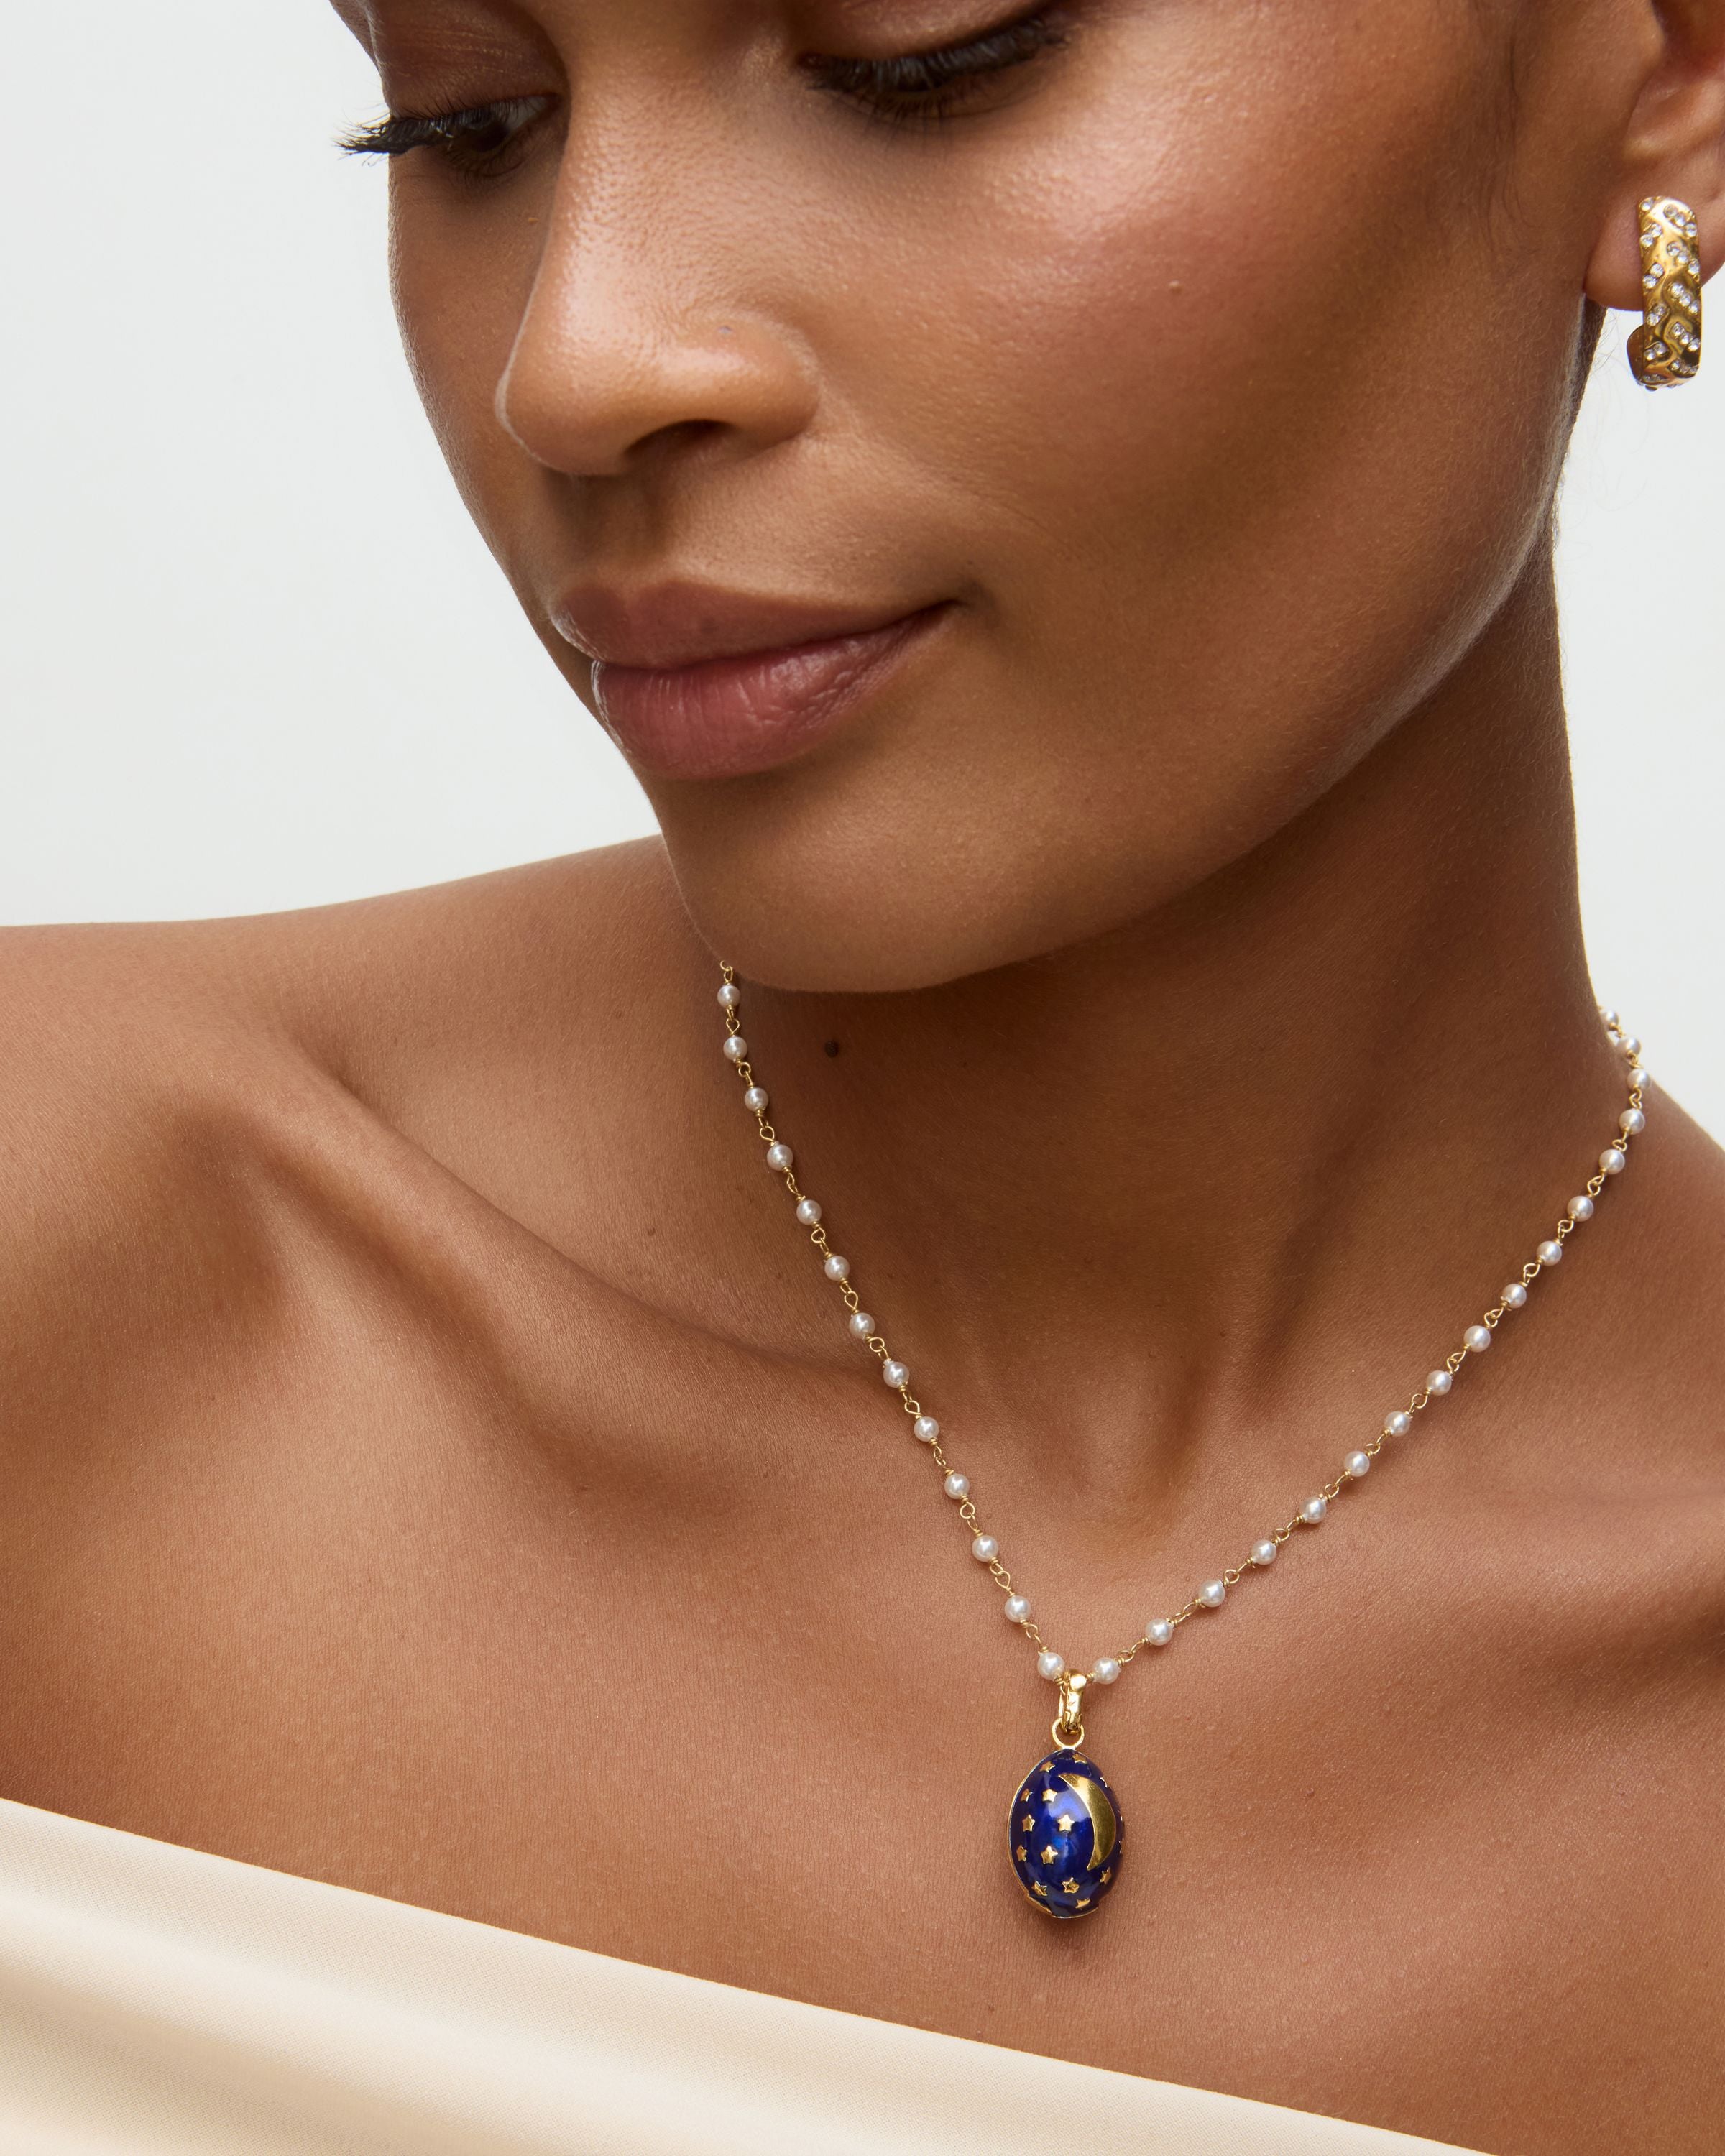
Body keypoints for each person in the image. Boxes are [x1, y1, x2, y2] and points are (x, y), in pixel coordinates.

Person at [0, 3, 1719, 2151]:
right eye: (464, 117)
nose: (576, 361)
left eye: (924, 54)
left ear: (1667, 69)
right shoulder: (65, 1275)